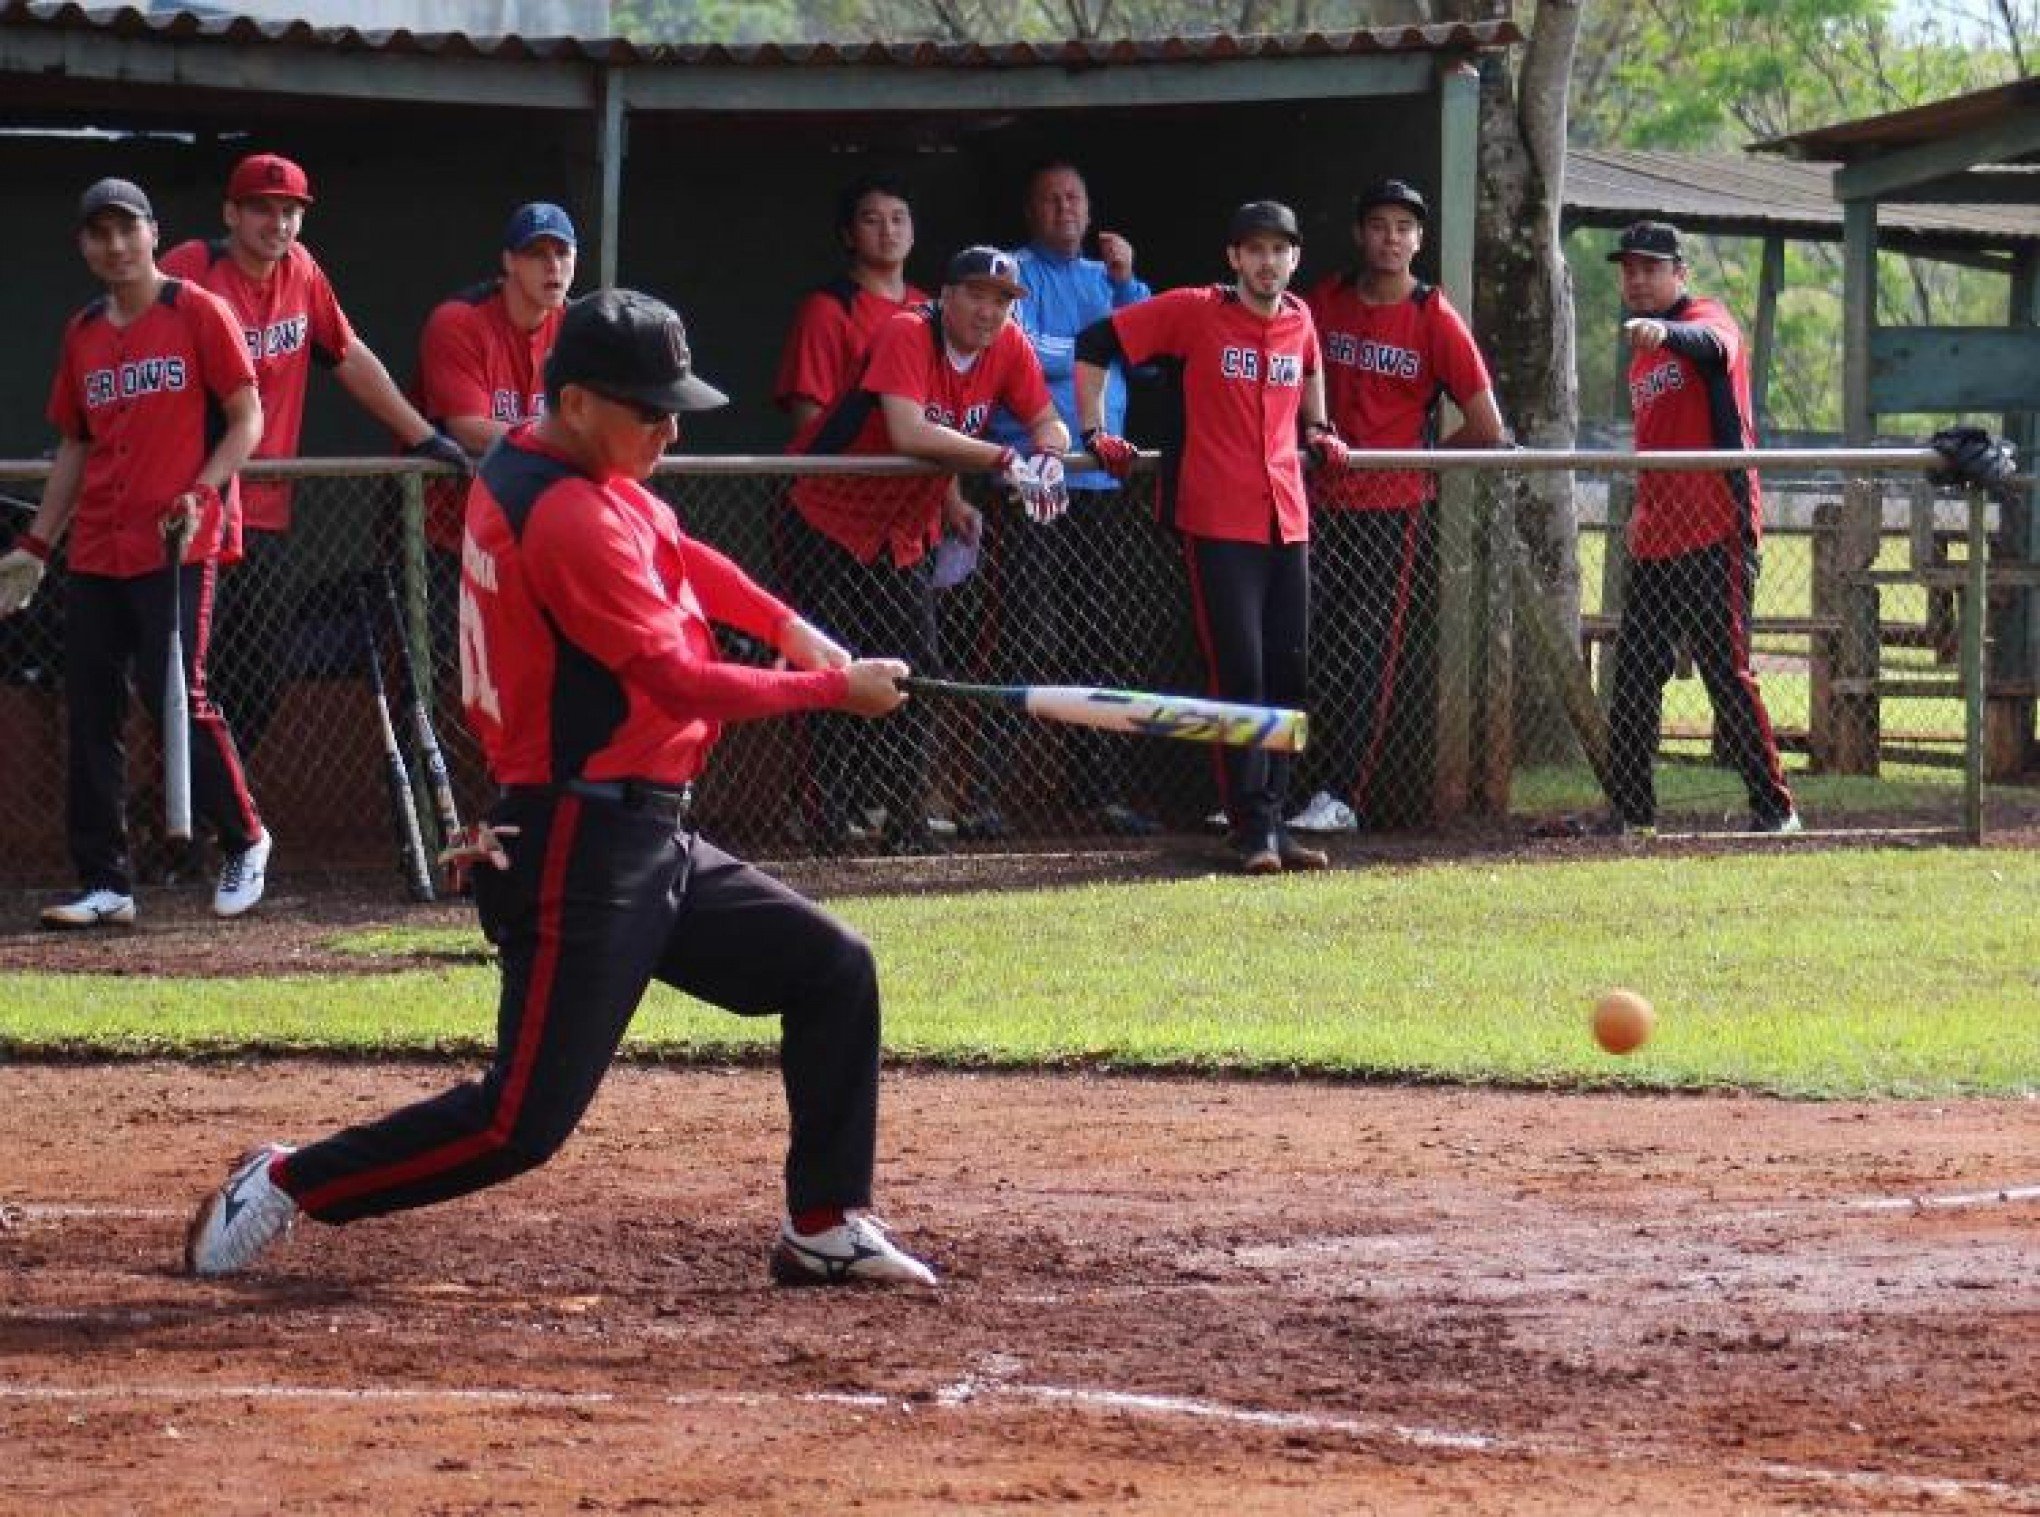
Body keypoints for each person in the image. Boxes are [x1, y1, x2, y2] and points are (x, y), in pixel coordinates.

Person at [183, 288, 938, 1288]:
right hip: (580, 842)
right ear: (577, 401)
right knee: (517, 1122)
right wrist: (830, 687)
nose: (669, 427)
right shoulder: (567, 512)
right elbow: (675, 677)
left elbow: (680, 548)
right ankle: (285, 1180)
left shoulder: (559, 464)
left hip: (645, 828)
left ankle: (826, 1220)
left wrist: (790, 624)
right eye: (651, 410)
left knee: (832, 968)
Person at [0, 178, 270, 927]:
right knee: (91, 707)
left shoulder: (196, 311)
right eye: (99, 233)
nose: (115, 245)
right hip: (97, 548)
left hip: (176, 541)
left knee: (176, 690)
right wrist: (36, 544)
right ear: (84, 246)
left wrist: (202, 490)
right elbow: (74, 444)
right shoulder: (83, 330)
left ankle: (246, 836)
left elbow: (248, 418)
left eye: (127, 229)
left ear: (155, 232)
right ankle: (105, 882)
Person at [160, 152, 469, 759]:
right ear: (230, 213)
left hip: (267, 515)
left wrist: (422, 435)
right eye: (261, 210)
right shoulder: (191, 269)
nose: (277, 224)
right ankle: (179, 815)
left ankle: (220, 804)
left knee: (263, 675)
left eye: (289, 212)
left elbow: (346, 354)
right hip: (194, 509)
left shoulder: (300, 270)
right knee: (184, 677)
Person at [1075, 200, 1340, 875]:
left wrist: (1318, 427)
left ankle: (1277, 824)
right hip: (1218, 516)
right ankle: (1247, 826)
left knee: (1289, 670)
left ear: (1294, 258)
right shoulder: (1196, 310)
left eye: (1278, 250)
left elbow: (1310, 369)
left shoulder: (1300, 318)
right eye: (1253, 249)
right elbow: (1097, 343)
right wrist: (1092, 429)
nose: (1266, 262)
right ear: (1233, 258)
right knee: (1239, 669)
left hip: (1288, 513)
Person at [786, 246, 1068, 854]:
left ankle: (907, 820)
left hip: (904, 531)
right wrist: (1003, 458)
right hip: (829, 517)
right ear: (946, 296)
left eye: (1000, 300)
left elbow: (1050, 420)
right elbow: (908, 431)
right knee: (832, 670)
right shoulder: (907, 329)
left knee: (918, 673)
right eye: (975, 295)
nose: (988, 311)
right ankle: (825, 823)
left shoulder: (1009, 345)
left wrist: (1045, 455)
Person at [1291, 179, 1506, 835]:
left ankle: (1339, 795)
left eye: (1403, 227)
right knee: (1297, 644)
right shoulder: (1322, 301)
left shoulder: (1433, 315)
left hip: (1388, 508)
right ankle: (1272, 785)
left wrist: (1416, 462)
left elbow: (1486, 425)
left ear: (1419, 240)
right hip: (1314, 499)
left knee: (1364, 653)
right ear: (1360, 234)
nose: (1390, 237)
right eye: (1378, 224)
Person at [969, 160, 1160, 840]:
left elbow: (1146, 353)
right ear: (1030, 211)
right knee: (1022, 632)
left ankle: (1098, 790)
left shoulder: (1108, 281)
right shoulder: (1012, 274)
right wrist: (1085, 356)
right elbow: (1021, 358)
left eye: (1075, 197)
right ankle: (980, 796)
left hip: (1101, 485)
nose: (1064, 208)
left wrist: (1123, 282)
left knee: (1098, 635)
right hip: (1030, 482)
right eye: (1050, 198)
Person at [1603, 220, 1798, 837]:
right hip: (1657, 540)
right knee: (1634, 675)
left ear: (1679, 275)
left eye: (1650, 269)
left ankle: (1776, 810)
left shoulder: (1705, 318)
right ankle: (1633, 816)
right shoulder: (1641, 358)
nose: (1637, 279)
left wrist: (1666, 331)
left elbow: (1716, 346)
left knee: (1725, 673)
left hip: (1716, 533)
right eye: (1629, 269)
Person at [412, 202, 578, 653]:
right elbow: (467, 428)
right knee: (445, 667)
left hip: (540, 534)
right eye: (536, 254)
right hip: (448, 534)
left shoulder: (580, 329)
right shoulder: (460, 321)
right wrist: (571, 443)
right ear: (508, 262)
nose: (553, 267)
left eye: (563, 253)